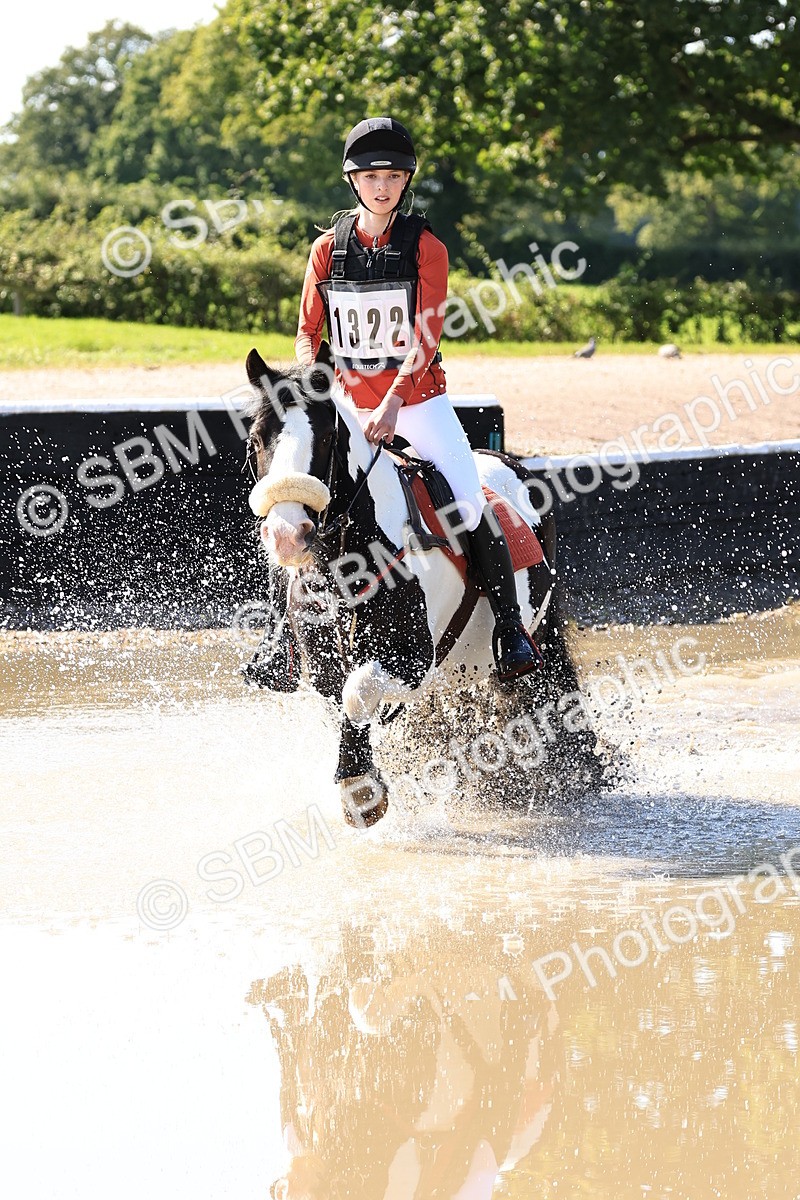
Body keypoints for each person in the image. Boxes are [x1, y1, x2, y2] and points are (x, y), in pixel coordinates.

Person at [248, 116, 540, 688]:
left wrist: (394, 402)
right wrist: (316, 380)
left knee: (469, 503)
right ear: (352, 181)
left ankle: (510, 626)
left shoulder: (426, 248)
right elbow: (309, 332)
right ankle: (282, 634)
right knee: (300, 500)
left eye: (392, 176)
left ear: (405, 182)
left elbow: (426, 336)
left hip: (419, 404)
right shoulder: (326, 251)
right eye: (370, 176)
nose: (382, 186)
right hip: (352, 404)